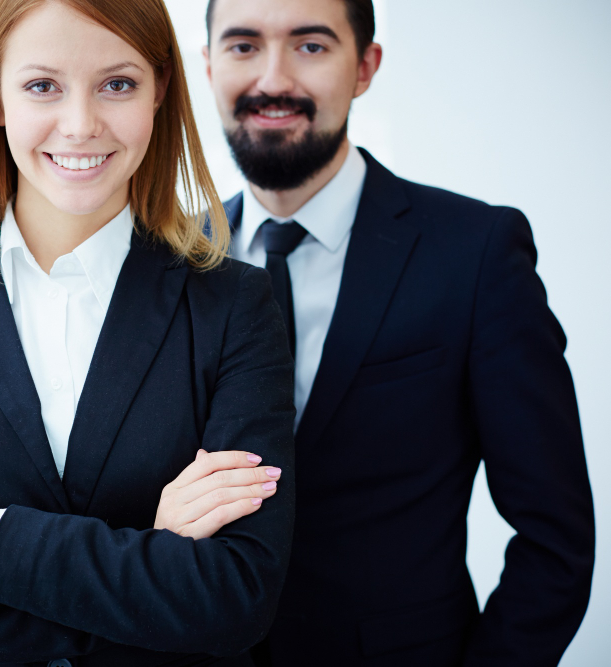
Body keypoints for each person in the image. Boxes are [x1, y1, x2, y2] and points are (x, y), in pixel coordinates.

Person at [0, 0, 296, 664]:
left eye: (117, 83)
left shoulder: (234, 306)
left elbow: (236, 596)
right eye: (42, 86)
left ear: (159, 90)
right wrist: (151, 547)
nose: (81, 124)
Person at [201, 0, 596, 665]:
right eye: (243, 46)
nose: (273, 79)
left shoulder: (475, 253)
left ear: (365, 67)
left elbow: (556, 540)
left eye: (310, 46)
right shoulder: (167, 262)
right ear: (209, 68)